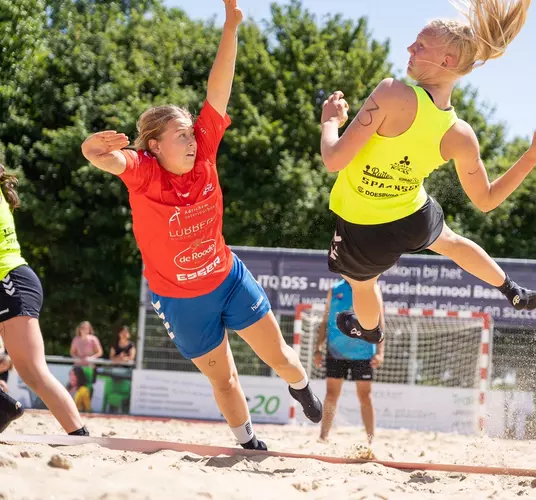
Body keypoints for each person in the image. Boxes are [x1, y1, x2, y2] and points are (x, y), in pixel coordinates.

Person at [80, 0, 322, 450]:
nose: (193, 139)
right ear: (154, 145)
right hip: (179, 300)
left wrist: (231, 27)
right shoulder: (143, 171)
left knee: (282, 359)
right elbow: (103, 158)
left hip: (228, 279)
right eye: (182, 135)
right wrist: (89, 148)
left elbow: (219, 89)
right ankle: (248, 443)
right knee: (226, 381)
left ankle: (302, 385)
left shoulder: (204, 151)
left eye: (193, 132)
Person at [319, 0, 536, 343]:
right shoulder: (460, 134)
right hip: (412, 215)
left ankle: (370, 330)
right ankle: (510, 289)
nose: (409, 47)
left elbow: (334, 159)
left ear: (446, 61)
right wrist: (531, 156)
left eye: (420, 44)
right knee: (450, 242)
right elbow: (486, 200)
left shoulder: (392, 92)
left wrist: (330, 122)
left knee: (362, 285)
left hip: (364, 225)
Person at [0, 163, 89, 435]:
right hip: (10, 282)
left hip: (10, 281)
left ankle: (79, 436)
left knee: (34, 372)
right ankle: (3, 408)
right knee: (32, 372)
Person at [314, 280, 384, 443]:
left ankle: (370, 440)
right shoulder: (335, 289)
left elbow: (380, 322)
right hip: (335, 350)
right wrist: (318, 347)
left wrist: (380, 352)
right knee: (331, 395)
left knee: (365, 397)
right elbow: (325, 320)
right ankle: (323, 437)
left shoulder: (372, 287)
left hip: (364, 352)